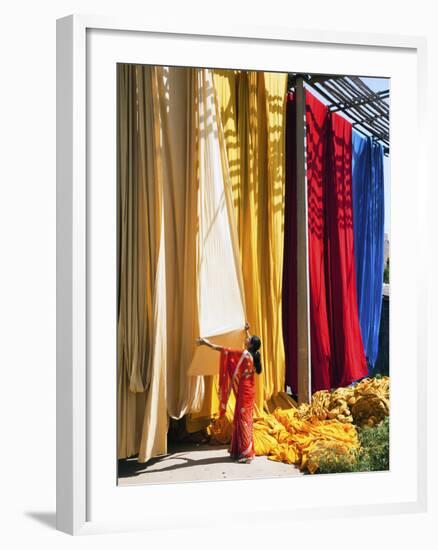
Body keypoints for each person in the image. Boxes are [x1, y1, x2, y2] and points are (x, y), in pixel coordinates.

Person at [197, 323, 262, 463]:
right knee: (244, 418)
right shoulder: (255, 353)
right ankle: (241, 449)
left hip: (245, 391)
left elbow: (223, 350)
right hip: (250, 390)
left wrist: (206, 343)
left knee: (243, 419)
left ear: (250, 345)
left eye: (248, 340)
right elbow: (252, 342)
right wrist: (247, 331)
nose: (246, 340)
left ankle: (247, 454)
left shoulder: (244, 354)